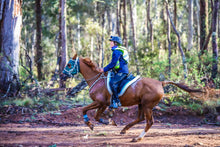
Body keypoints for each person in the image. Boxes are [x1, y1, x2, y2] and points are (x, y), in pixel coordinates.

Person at [99, 36, 129, 109]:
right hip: (119, 70)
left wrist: (104, 69)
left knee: (112, 83)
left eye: (111, 42)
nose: (110, 43)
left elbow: (113, 63)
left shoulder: (117, 51)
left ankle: (116, 101)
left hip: (122, 71)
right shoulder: (118, 50)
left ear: (115, 43)